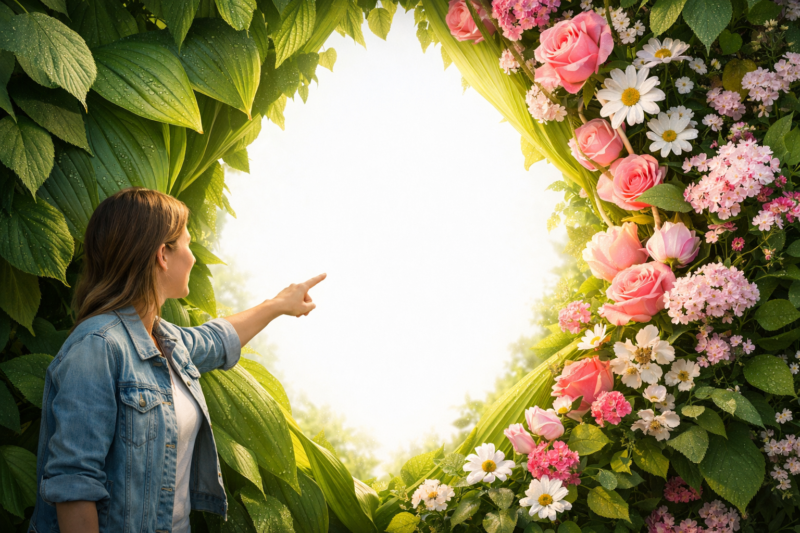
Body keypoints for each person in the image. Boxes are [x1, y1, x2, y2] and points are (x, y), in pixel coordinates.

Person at [26, 187, 326, 533]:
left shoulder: (166, 339)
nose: (193, 257)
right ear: (163, 255)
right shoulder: (98, 346)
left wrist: (277, 304)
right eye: (187, 243)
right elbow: (74, 488)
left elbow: (215, 339)